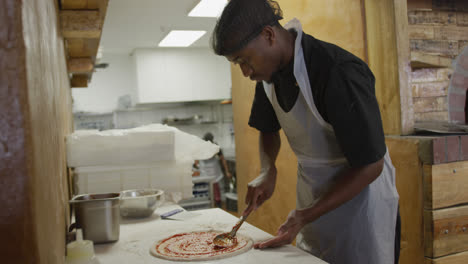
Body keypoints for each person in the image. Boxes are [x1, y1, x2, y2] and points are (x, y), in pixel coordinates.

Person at [211, 1, 400, 263]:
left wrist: (306, 214)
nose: (245, 72)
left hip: (362, 202)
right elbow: (268, 128)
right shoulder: (267, 75)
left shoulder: (337, 71)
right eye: (237, 64)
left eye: (245, 60)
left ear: (268, 35)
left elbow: (371, 166)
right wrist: (268, 169)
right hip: (314, 198)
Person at [195, 132, 232, 207]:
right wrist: (196, 166)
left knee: (215, 186)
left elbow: (222, 159)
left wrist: (227, 171)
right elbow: (196, 158)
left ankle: (218, 202)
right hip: (204, 168)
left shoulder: (215, 146)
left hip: (214, 168)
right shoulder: (200, 146)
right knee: (205, 186)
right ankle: (207, 202)